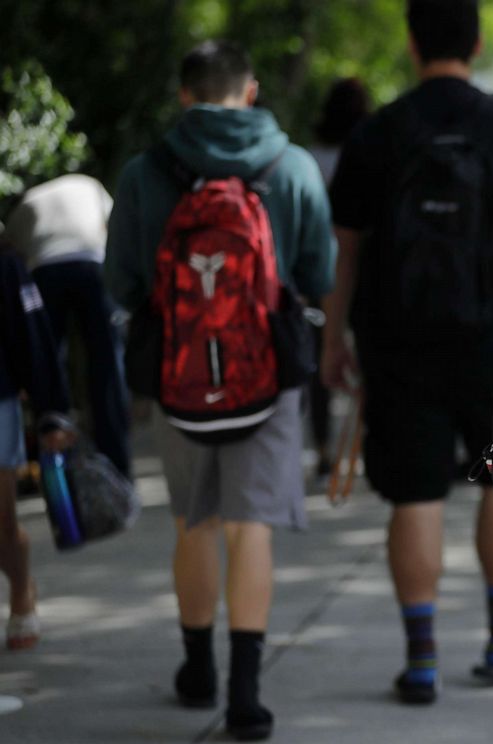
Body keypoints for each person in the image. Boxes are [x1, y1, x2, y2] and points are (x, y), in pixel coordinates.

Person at [325, 0, 493, 704]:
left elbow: (344, 249)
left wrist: (334, 338)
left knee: (414, 494)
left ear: (410, 43)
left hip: (396, 340)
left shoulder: (380, 130)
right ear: (477, 40)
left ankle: (422, 659)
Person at [104, 40, 335, 741]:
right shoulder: (290, 165)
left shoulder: (147, 172)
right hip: (265, 374)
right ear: (252, 90)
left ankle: (197, 667)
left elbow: (120, 282)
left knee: (193, 522)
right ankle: (245, 694)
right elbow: (317, 272)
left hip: (180, 377)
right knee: (250, 527)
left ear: (184, 95)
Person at [4, 174, 132, 479]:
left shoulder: (26, 202)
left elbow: (11, 255)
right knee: (107, 364)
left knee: (48, 363)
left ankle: (56, 461)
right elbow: (114, 230)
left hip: (45, 269)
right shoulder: (89, 185)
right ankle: (118, 468)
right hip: (92, 263)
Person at [0, 239, 71, 651]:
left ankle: (22, 588)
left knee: (2, 523)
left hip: (1, 400)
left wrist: (51, 412)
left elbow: (32, 338)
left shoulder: (7, 265)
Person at [307, 78, 371, 479]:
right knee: (367, 357)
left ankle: (325, 446)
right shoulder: (370, 151)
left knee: (322, 361)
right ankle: (362, 440)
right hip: (365, 268)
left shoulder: (312, 157)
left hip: (320, 267)